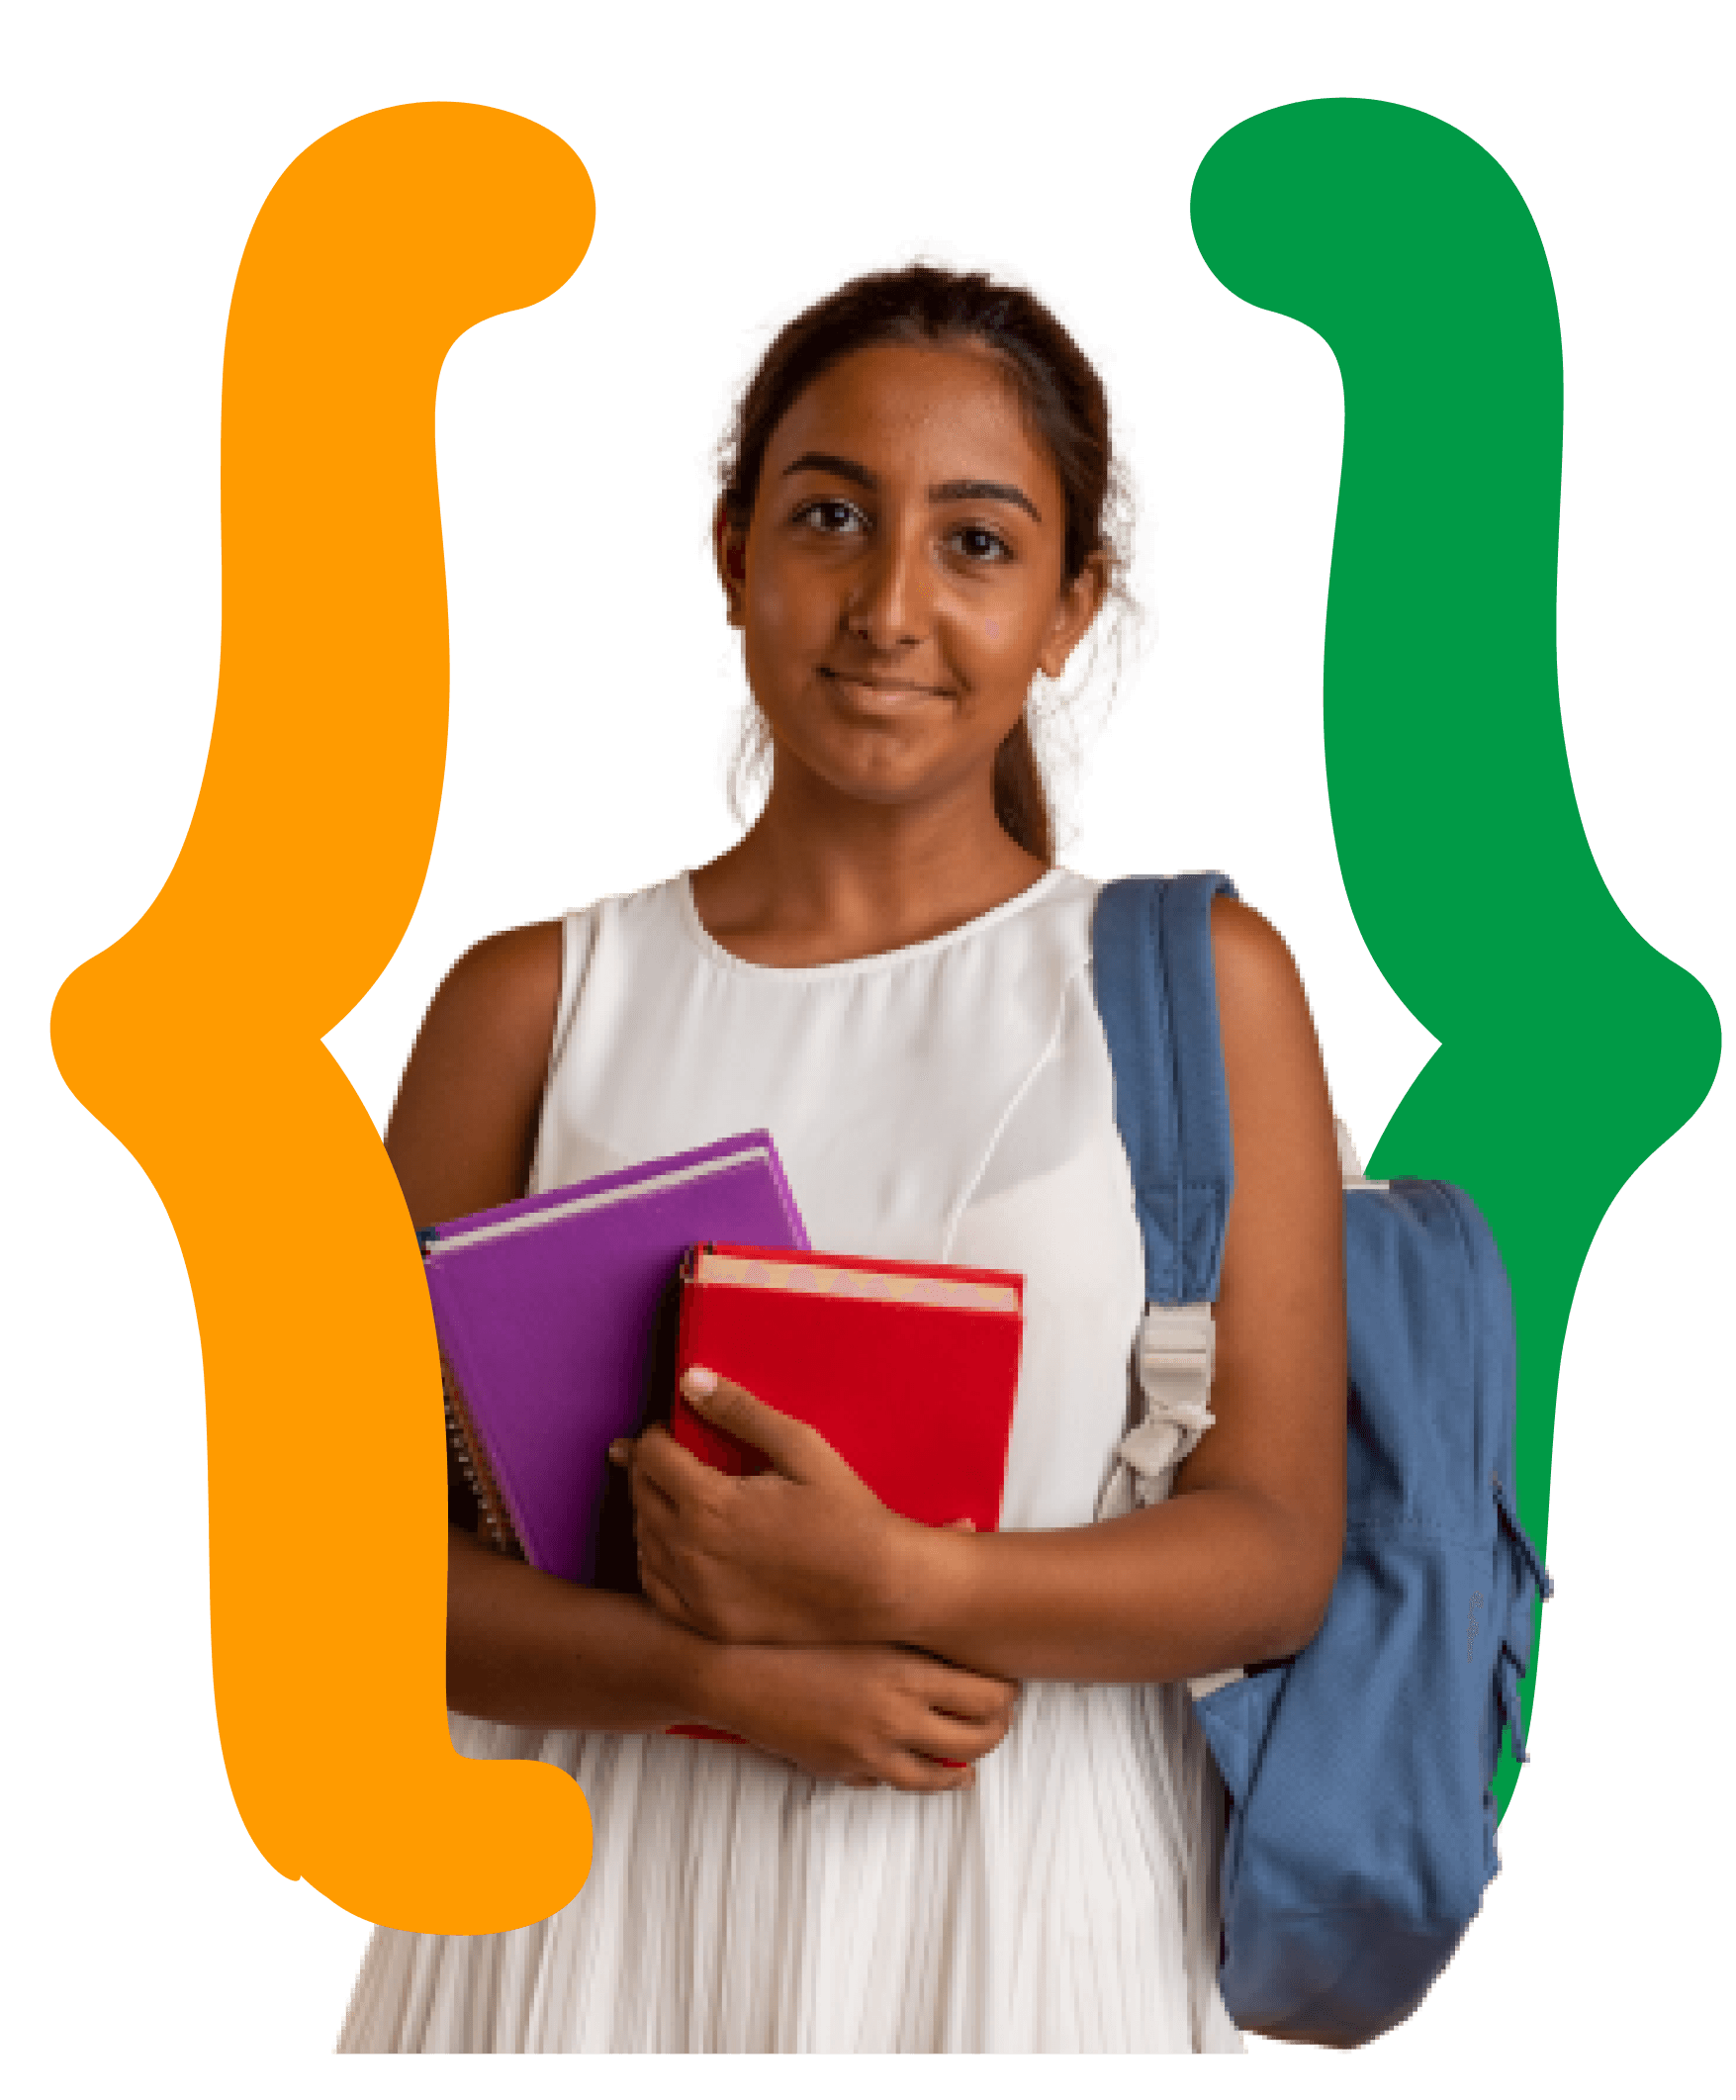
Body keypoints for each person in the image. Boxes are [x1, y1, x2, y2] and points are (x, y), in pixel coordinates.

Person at [334, 242, 1346, 2054]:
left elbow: (1272, 1548)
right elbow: (347, 1563)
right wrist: (713, 1675)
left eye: (976, 541)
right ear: (729, 551)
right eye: (826, 517)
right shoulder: (530, 1002)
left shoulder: (1198, 986)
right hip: (587, 1932)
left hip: (1028, 1919)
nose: (888, 604)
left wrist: (903, 1584)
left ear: (1068, 608)